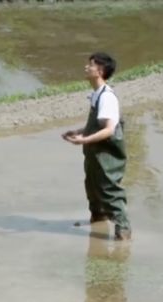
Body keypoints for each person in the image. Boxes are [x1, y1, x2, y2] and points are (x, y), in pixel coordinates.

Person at [62, 52, 132, 240]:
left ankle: (123, 232)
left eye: (90, 65)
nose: (86, 67)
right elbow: (96, 125)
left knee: (109, 191)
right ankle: (99, 222)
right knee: (92, 189)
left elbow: (109, 130)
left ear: (99, 71)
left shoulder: (107, 97)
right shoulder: (96, 95)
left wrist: (84, 140)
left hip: (107, 156)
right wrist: (78, 131)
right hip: (94, 154)